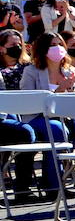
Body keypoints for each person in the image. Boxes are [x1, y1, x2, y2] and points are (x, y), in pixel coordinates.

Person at [19, 31, 75, 194]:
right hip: (38, 117)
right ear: (43, 49)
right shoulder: (31, 71)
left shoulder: (72, 71)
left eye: (59, 44)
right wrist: (60, 90)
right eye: (52, 45)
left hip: (68, 117)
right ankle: (54, 185)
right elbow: (29, 102)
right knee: (56, 129)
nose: (57, 48)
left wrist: (71, 92)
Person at [0, 28, 42, 199]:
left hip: (26, 112)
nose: (17, 48)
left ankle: (24, 185)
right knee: (24, 131)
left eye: (19, 44)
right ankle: (21, 186)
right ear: (1, 48)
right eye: (12, 45)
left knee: (29, 130)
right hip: (7, 114)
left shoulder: (28, 67)